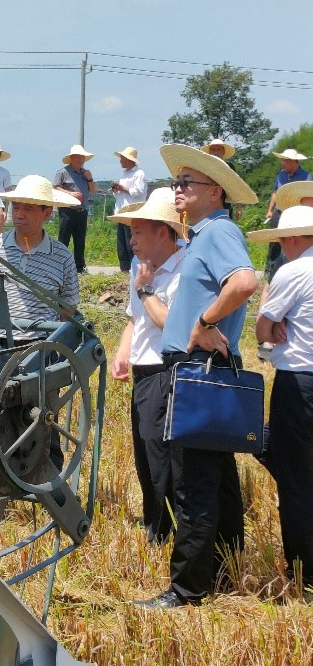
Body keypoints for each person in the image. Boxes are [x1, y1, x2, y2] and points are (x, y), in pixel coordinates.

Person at [135, 144, 259, 609]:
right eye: (177, 183)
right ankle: (223, 573)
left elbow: (245, 282)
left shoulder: (217, 232)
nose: (178, 190)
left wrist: (205, 324)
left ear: (214, 192)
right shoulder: (208, 233)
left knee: (194, 485)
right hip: (199, 369)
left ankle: (186, 590)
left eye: (185, 184)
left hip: (195, 371)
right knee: (217, 479)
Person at [109, 188, 185, 545]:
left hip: (165, 371)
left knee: (161, 457)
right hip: (142, 371)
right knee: (144, 453)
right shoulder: (141, 272)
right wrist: (122, 353)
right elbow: (133, 320)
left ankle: (166, 531)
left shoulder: (184, 270)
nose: (132, 240)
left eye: (138, 232)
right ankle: (155, 524)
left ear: (163, 232)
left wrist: (145, 291)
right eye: (130, 232)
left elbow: (173, 325)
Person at [250, 205, 313, 593]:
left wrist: (272, 330)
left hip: (301, 380)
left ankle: (305, 575)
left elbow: (263, 325)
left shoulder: (294, 271)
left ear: (289, 239)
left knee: (297, 481)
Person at [0, 175, 80, 343]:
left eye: (28, 209)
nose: (19, 215)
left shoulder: (62, 257)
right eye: (16, 207)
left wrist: (53, 345)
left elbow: (68, 307)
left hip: (40, 346)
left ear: (47, 213)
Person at [264, 148, 310, 276]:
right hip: (279, 212)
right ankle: (270, 270)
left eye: (285, 161)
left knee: (293, 241)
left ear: (294, 162)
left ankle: (290, 270)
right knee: (274, 241)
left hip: (295, 214)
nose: (283, 163)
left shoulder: (305, 177)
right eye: (282, 160)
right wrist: (270, 210)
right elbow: (275, 193)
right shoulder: (281, 175)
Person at [53, 145, 97, 274]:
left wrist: (90, 178)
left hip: (81, 211)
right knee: (64, 239)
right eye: (78, 157)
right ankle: (59, 266)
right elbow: (55, 188)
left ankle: (79, 267)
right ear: (71, 158)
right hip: (67, 210)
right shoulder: (62, 172)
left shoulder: (85, 173)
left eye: (82, 157)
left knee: (80, 240)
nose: (81, 160)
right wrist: (70, 193)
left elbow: (93, 190)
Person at [110, 147, 148, 272]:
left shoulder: (139, 173)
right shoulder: (125, 174)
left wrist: (123, 188)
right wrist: (117, 189)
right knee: (121, 242)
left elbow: (139, 192)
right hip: (121, 211)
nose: (120, 161)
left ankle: (133, 267)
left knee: (130, 241)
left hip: (132, 212)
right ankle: (124, 268)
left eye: (122, 158)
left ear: (128, 160)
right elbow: (121, 194)